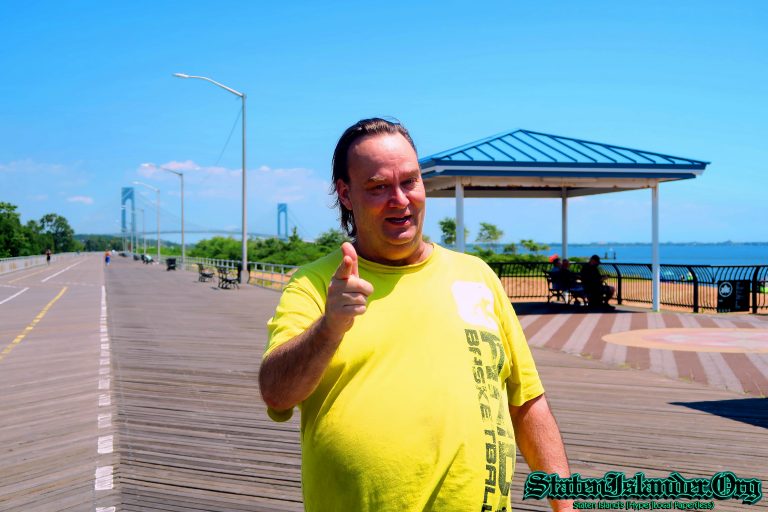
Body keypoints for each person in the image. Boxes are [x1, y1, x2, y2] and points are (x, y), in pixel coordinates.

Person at [259, 118, 573, 512]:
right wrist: (329, 327)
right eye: (378, 187)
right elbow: (277, 393)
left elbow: (527, 403)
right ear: (346, 194)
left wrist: (565, 506)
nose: (400, 199)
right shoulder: (315, 284)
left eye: (409, 181)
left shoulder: (476, 276)